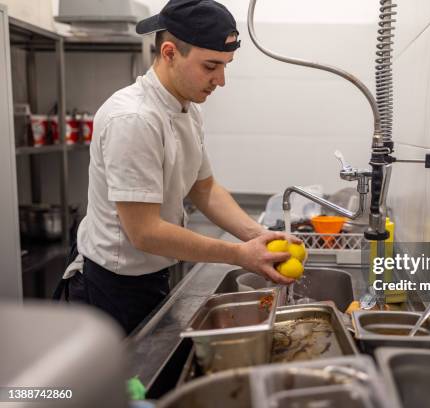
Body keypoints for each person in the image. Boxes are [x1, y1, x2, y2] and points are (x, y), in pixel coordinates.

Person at [53, 0, 297, 334]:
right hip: (110, 290)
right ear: (169, 53)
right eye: (211, 66)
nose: (221, 80)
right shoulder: (134, 119)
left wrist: (259, 237)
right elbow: (145, 231)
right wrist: (240, 254)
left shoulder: (188, 107)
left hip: (151, 275)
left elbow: (204, 188)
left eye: (226, 65)